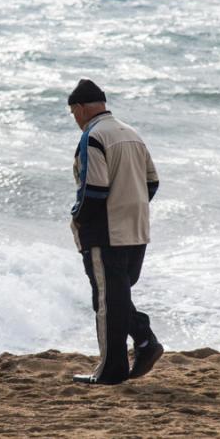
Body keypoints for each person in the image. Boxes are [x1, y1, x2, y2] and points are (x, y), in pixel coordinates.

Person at [67, 78, 163, 385]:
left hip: (107, 233)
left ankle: (111, 370)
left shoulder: (93, 137)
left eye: (73, 112)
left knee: (108, 301)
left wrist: (78, 218)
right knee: (116, 298)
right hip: (137, 229)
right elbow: (152, 182)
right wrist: (129, 204)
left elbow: (94, 190)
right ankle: (145, 343)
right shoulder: (131, 134)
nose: (74, 119)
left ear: (80, 108)